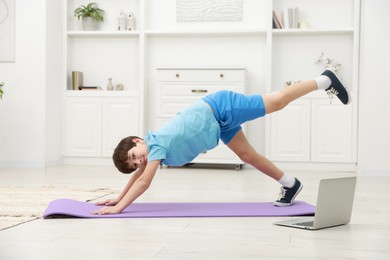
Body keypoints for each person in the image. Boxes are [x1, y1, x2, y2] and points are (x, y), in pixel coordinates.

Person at [92, 69, 350, 215]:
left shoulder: (155, 145)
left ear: (138, 140)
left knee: (278, 102)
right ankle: (290, 184)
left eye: (135, 155)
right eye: (135, 162)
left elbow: (145, 181)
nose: (139, 161)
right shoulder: (152, 152)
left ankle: (323, 80)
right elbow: (138, 176)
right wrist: (118, 197)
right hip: (220, 125)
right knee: (248, 156)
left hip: (221, 107)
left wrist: (121, 208)